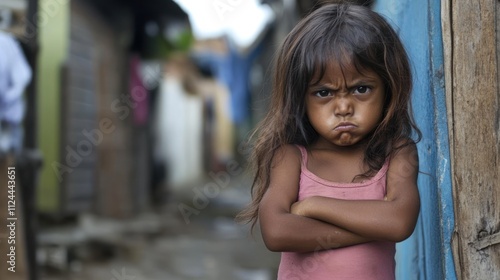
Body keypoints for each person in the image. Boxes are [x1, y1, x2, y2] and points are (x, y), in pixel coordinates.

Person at [236, 3, 421, 280]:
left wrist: (315, 206)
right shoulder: (291, 157)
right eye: (324, 92)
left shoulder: (396, 153)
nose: (343, 107)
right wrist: (373, 225)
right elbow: (276, 233)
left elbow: (398, 222)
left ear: (388, 87)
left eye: (361, 89)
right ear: (301, 97)